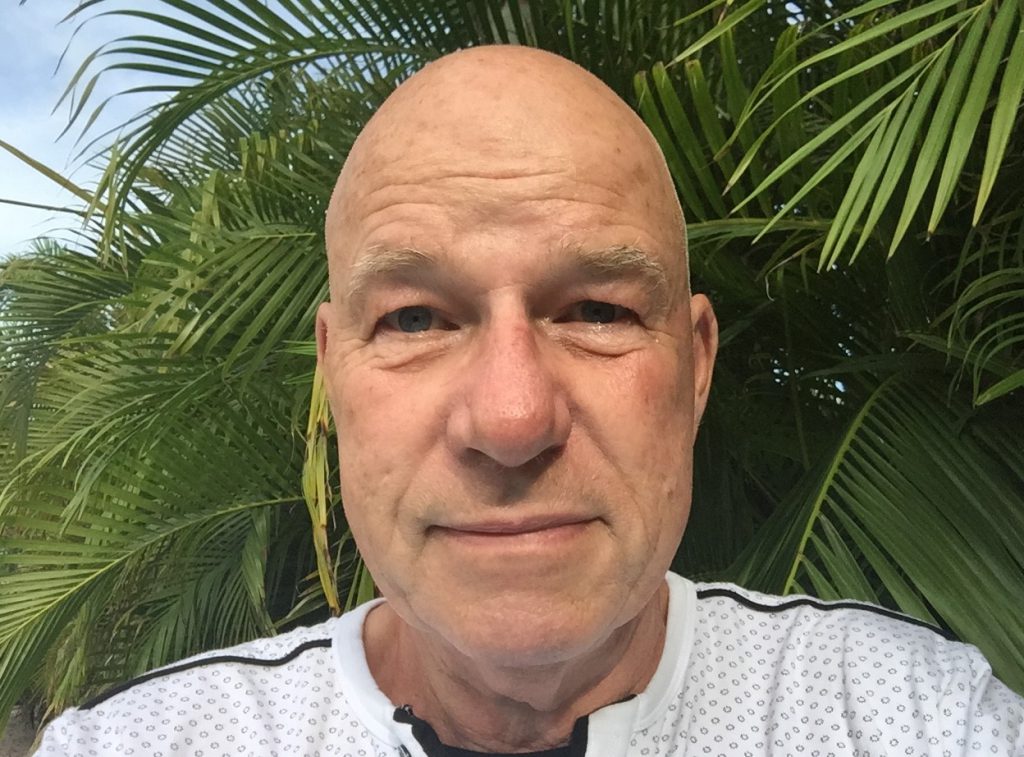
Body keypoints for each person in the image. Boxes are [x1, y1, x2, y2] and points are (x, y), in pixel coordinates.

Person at [37, 45, 1023, 756]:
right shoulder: (142, 743)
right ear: (333, 377)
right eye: (415, 319)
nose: (511, 420)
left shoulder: (911, 717)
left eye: (596, 310)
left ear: (695, 368)